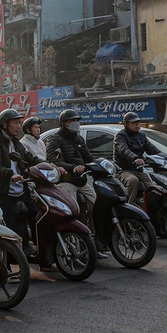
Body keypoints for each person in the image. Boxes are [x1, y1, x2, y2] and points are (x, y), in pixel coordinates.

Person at [45, 109, 107, 258]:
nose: (76, 124)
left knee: (99, 204)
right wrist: (72, 168)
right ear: (64, 123)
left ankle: (94, 241)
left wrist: (101, 164)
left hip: (82, 180)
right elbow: (54, 159)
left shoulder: (79, 139)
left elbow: (88, 157)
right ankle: (74, 245)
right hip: (67, 181)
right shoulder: (55, 139)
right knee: (73, 211)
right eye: (72, 121)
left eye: (77, 121)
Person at [0, 108, 40, 260]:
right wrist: (10, 174)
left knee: (38, 213)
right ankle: (5, 261)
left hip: (21, 190)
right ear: (5, 125)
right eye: (15, 123)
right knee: (8, 225)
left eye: (20, 123)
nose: (18, 126)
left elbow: (29, 158)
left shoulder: (17, 144)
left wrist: (49, 165)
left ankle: (37, 251)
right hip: (2, 192)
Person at [113, 112, 162, 204]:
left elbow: (152, 148)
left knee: (153, 188)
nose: (137, 125)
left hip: (139, 170)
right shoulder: (120, 136)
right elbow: (123, 149)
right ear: (126, 124)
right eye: (133, 122)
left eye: (138, 122)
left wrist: (164, 156)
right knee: (133, 180)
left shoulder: (142, 136)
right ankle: (128, 206)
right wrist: (135, 158)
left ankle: (152, 210)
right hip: (124, 171)